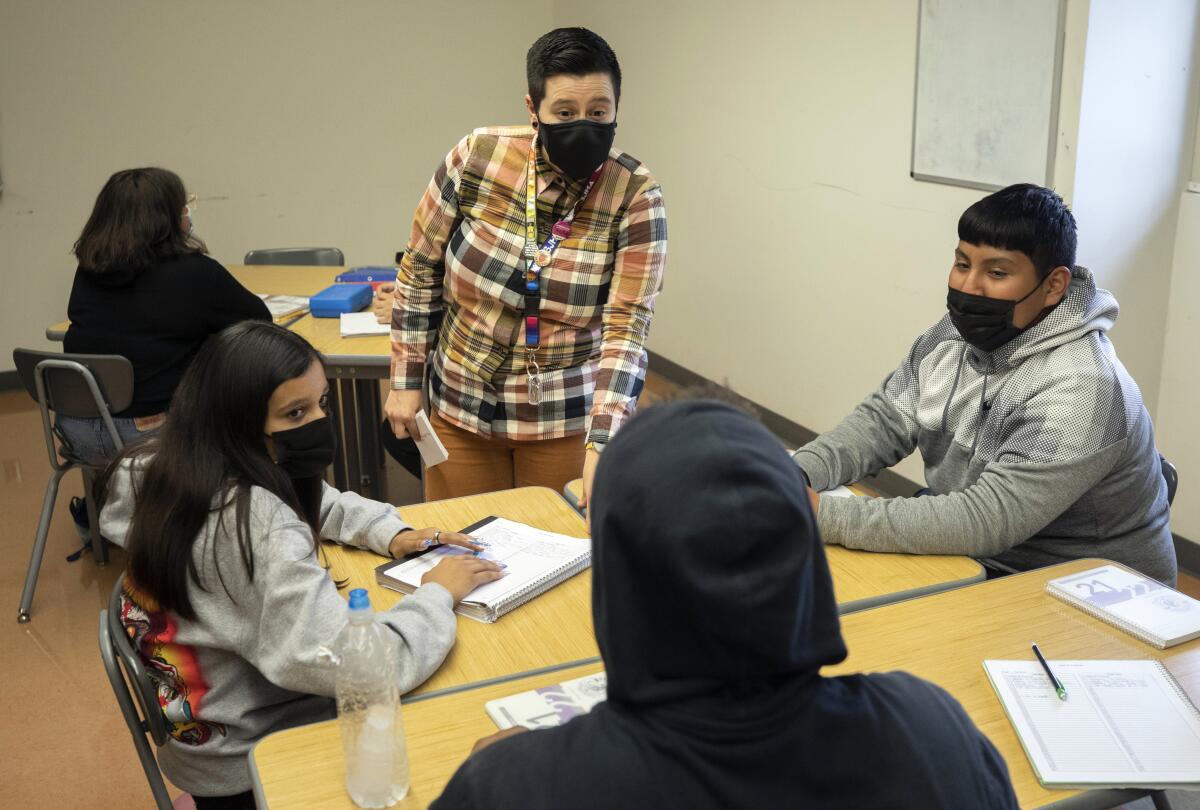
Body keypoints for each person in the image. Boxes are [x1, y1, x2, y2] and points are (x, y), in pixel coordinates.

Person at [431, 400, 1018, 810]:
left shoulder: (516, 789)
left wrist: (518, 771)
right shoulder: (933, 734)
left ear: (621, 581)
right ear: (805, 566)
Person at [97, 321, 505, 808]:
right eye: (295, 412)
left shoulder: (162, 466)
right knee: (464, 733)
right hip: (253, 761)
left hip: (205, 729)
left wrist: (390, 532)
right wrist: (438, 592)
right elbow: (367, 670)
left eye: (321, 403)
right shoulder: (252, 527)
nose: (317, 422)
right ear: (236, 423)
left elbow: (311, 497)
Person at [794, 184, 1175, 584]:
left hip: (1080, 588)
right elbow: (883, 422)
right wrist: (790, 477)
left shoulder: (1082, 386)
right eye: (962, 264)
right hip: (980, 555)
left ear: (1053, 285)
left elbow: (989, 518)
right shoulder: (953, 336)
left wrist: (819, 513)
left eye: (996, 273)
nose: (968, 286)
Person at [382, 27, 667, 505]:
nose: (584, 124)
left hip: (564, 414)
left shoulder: (635, 194)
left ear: (617, 108)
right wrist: (405, 382)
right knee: (469, 546)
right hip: (460, 402)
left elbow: (627, 329)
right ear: (534, 110)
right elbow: (420, 269)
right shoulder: (478, 155)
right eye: (565, 112)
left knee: (567, 558)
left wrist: (605, 441)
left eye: (599, 112)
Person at [61, 167, 271, 463]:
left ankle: (105, 505)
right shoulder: (195, 273)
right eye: (183, 206)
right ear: (168, 218)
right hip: (152, 435)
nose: (187, 213)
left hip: (77, 432)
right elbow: (260, 324)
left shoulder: (88, 271)